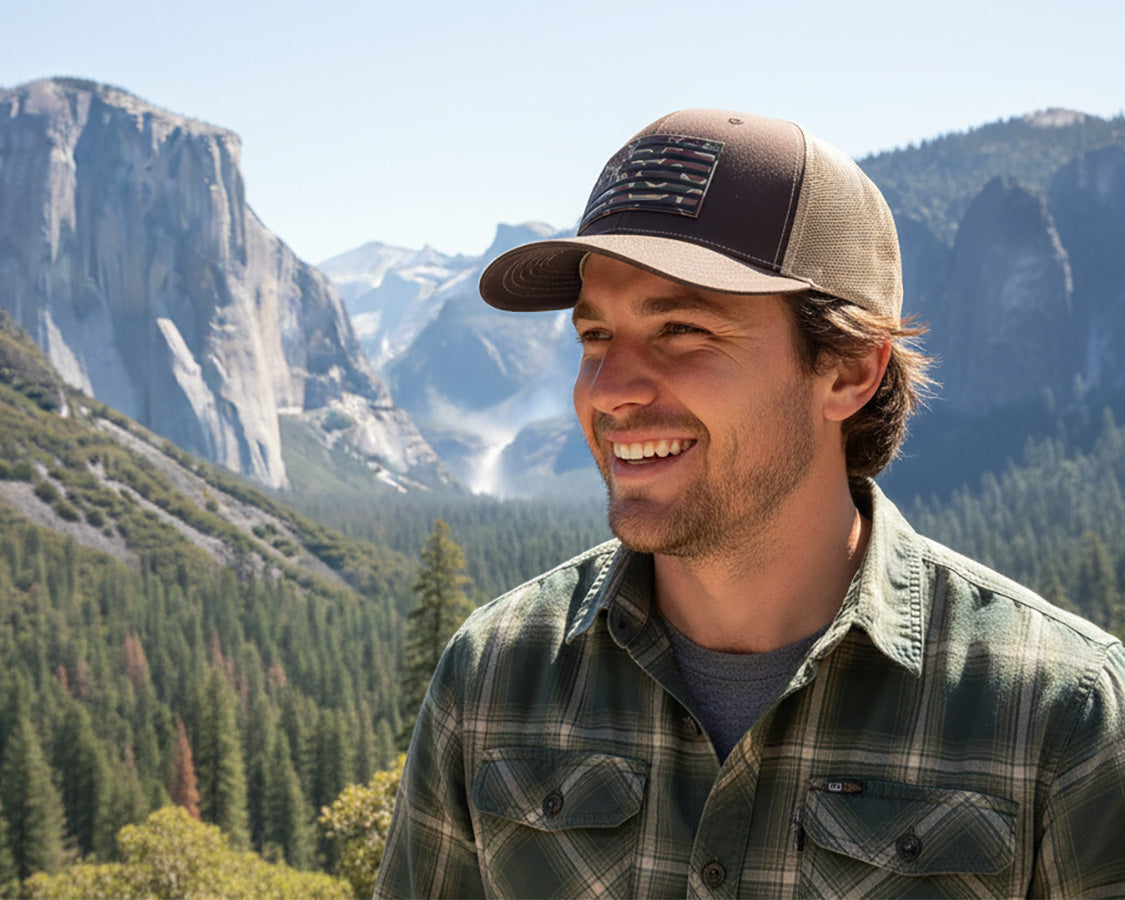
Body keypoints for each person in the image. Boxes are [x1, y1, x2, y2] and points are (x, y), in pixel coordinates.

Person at [374, 109, 1125, 898]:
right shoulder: (495, 674)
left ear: (846, 372)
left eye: (682, 329)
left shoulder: (1061, 717)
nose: (610, 390)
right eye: (594, 338)